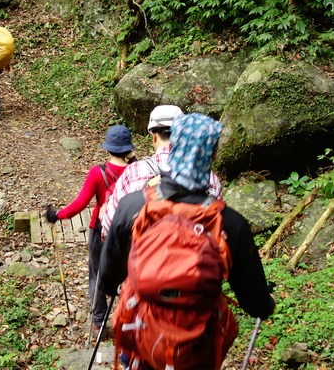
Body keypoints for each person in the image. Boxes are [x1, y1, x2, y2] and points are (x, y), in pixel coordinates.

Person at [99, 113, 275, 370]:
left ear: (173, 146)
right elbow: (255, 303)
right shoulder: (229, 223)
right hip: (197, 347)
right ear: (212, 155)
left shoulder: (132, 206)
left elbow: (107, 279)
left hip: (141, 336)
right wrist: (266, 302)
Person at [44, 125, 136, 337]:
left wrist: (57, 215)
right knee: (128, 275)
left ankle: (98, 324)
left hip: (101, 231)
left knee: (97, 274)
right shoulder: (137, 169)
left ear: (108, 148)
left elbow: (80, 204)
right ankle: (127, 320)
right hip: (128, 232)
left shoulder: (98, 173)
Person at [100, 105, 223, 241]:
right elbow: (220, 225)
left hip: (144, 256)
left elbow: (109, 228)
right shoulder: (210, 178)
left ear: (153, 137)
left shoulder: (134, 172)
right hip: (196, 257)